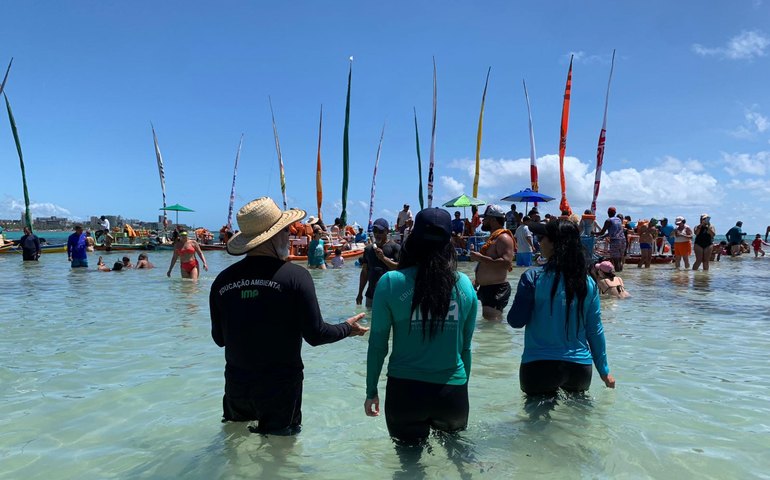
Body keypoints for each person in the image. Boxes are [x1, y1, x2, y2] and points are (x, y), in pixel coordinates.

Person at [210, 197, 368, 435]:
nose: (289, 236)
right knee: (279, 457)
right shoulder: (296, 277)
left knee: (234, 450)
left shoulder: (222, 281)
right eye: (286, 230)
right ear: (273, 236)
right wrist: (347, 328)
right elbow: (315, 335)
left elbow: (220, 339)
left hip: (237, 386)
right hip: (280, 389)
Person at [364, 208, 478, 444]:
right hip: (452, 394)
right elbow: (465, 349)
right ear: (449, 243)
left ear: (413, 240)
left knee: (408, 467)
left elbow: (377, 345)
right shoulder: (465, 285)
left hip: (405, 395)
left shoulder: (391, 283)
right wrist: (460, 390)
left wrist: (371, 390)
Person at [507, 219, 616, 397]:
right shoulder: (588, 282)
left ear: (553, 243)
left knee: (536, 421)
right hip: (579, 367)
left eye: (542, 237)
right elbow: (595, 330)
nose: (539, 241)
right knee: (578, 421)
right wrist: (604, 372)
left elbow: (516, 321)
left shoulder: (533, 277)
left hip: (538, 365)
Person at [471, 205, 514, 321]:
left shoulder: (503, 238)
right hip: (487, 288)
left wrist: (480, 258)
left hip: (496, 288)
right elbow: (488, 265)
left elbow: (506, 263)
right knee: (491, 322)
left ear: (493, 220)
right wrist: (477, 281)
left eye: (485, 218)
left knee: (491, 323)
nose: (482, 221)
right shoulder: (493, 238)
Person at [357, 218, 400, 308]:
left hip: (390, 295)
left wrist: (383, 258)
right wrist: (360, 293)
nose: (377, 234)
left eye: (380, 231)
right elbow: (364, 272)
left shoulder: (395, 247)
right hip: (371, 295)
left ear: (387, 231)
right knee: (369, 320)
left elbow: (399, 269)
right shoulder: (368, 249)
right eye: (375, 231)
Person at [595, 207, 626, 272]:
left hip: (615, 241)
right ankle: (621, 274)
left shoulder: (608, 221)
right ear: (615, 213)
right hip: (623, 240)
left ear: (608, 213)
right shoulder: (619, 220)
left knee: (615, 260)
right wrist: (603, 236)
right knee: (620, 259)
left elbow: (601, 232)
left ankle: (618, 276)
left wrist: (593, 233)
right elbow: (613, 232)